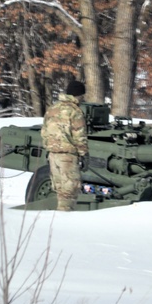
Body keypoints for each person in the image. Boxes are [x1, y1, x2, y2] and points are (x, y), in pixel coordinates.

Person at [40, 80, 88, 211]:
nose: (83, 98)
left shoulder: (52, 109)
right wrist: (83, 154)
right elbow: (80, 135)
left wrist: (49, 147)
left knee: (60, 190)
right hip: (68, 156)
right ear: (78, 95)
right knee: (69, 191)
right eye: (82, 95)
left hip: (53, 155)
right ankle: (64, 219)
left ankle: (59, 217)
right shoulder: (75, 111)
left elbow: (44, 131)